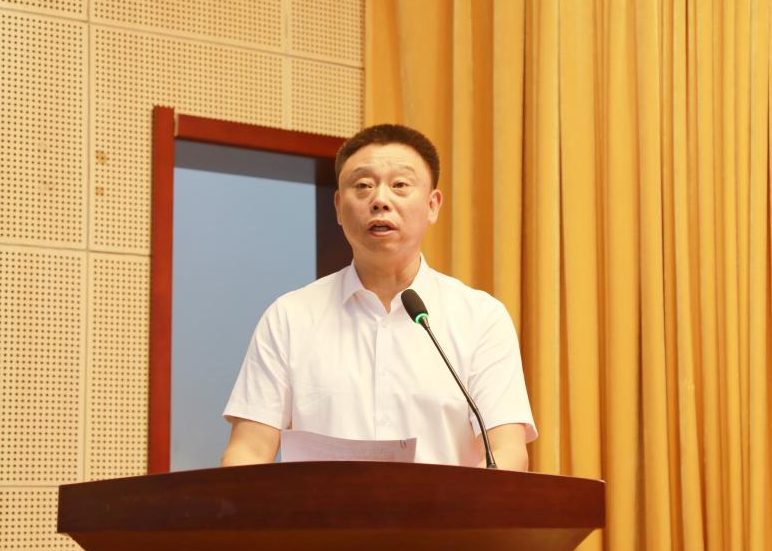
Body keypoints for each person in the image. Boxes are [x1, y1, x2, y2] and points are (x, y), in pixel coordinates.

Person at [221, 124, 536, 470]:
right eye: (363, 186)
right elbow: (247, 452)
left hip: (445, 509)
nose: (380, 200)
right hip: (320, 508)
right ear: (338, 207)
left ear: (432, 205)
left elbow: (507, 452)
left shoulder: (480, 318)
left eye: (400, 185)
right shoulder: (290, 317)